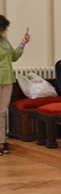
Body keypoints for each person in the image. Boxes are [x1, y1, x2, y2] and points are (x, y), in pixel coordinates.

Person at [0, 16, 30, 155]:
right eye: (1, 30)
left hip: (7, 79)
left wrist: (23, 44)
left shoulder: (4, 40)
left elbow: (13, 57)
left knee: (2, 112)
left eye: (4, 30)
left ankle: (1, 143)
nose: (2, 32)